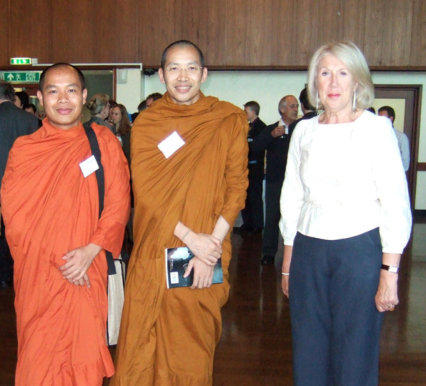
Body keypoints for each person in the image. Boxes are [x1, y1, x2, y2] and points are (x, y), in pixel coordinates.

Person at [112, 40, 248, 385]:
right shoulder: (147, 124)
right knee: (146, 337)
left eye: (190, 68)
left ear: (204, 74)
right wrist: (193, 240)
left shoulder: (228, 119)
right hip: (158, 244)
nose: (182, 77)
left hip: (208, 246)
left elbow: (237, 188)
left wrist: (210, 247)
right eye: (174, 68)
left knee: (193, 345)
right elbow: (146, 192)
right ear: (161, 75)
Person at [280, 41, 412, 386]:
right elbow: (292, 198)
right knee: (308, 350)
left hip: (359, 252)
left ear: (358, 82)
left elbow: (396, 204)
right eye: (325, 73)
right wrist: (288, 263)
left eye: (343, 73)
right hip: (308, 252)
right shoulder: (304, 131)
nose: (334, 83)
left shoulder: (376, 130)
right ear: (315, 83)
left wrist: (389, 273)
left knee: (355, 353)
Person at [1, 63, 130, 385]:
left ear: (83, 96)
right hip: (40, 276)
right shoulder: (25, 150)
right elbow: (14, 217)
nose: (63, 99)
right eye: (53, 91)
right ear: (41, 98)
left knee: (82, 355)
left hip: (86, 270)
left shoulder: (103, 143)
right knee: (39, 354)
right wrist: (55, 258)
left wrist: (90, 250)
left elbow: (118, 202)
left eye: (71, 90)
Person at [251, 95, 299, 265]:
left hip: (296, 184)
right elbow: (255, 147)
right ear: (282, 109)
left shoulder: (301, 128)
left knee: (297, 218)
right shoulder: (271, 128)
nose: (296, 109)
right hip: (275, 181)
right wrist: (271, 136)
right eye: (292, 106)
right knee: (271, 217)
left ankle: (297, 254)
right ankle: (269, 253)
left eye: (297, 106)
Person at [0, 81, 39, 289]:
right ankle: (15, 272)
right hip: (20, 187)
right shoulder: (28, 120)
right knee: (15, 231)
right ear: (12, 97)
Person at [240, 101, 266, 233]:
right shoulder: (246, 127)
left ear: (253, 112)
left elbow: (257, 148)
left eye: (246, 111)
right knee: (245, 196)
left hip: (255, 168)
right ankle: (247, 224)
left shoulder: (262, 128)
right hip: (245, 168)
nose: (244, 114)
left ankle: (257, 226)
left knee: (255, 197)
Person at [378, 105, 410, 171]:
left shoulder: (401, 137)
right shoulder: (375, 136)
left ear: (391, 119)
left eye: (382, 118)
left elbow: (405, 163)